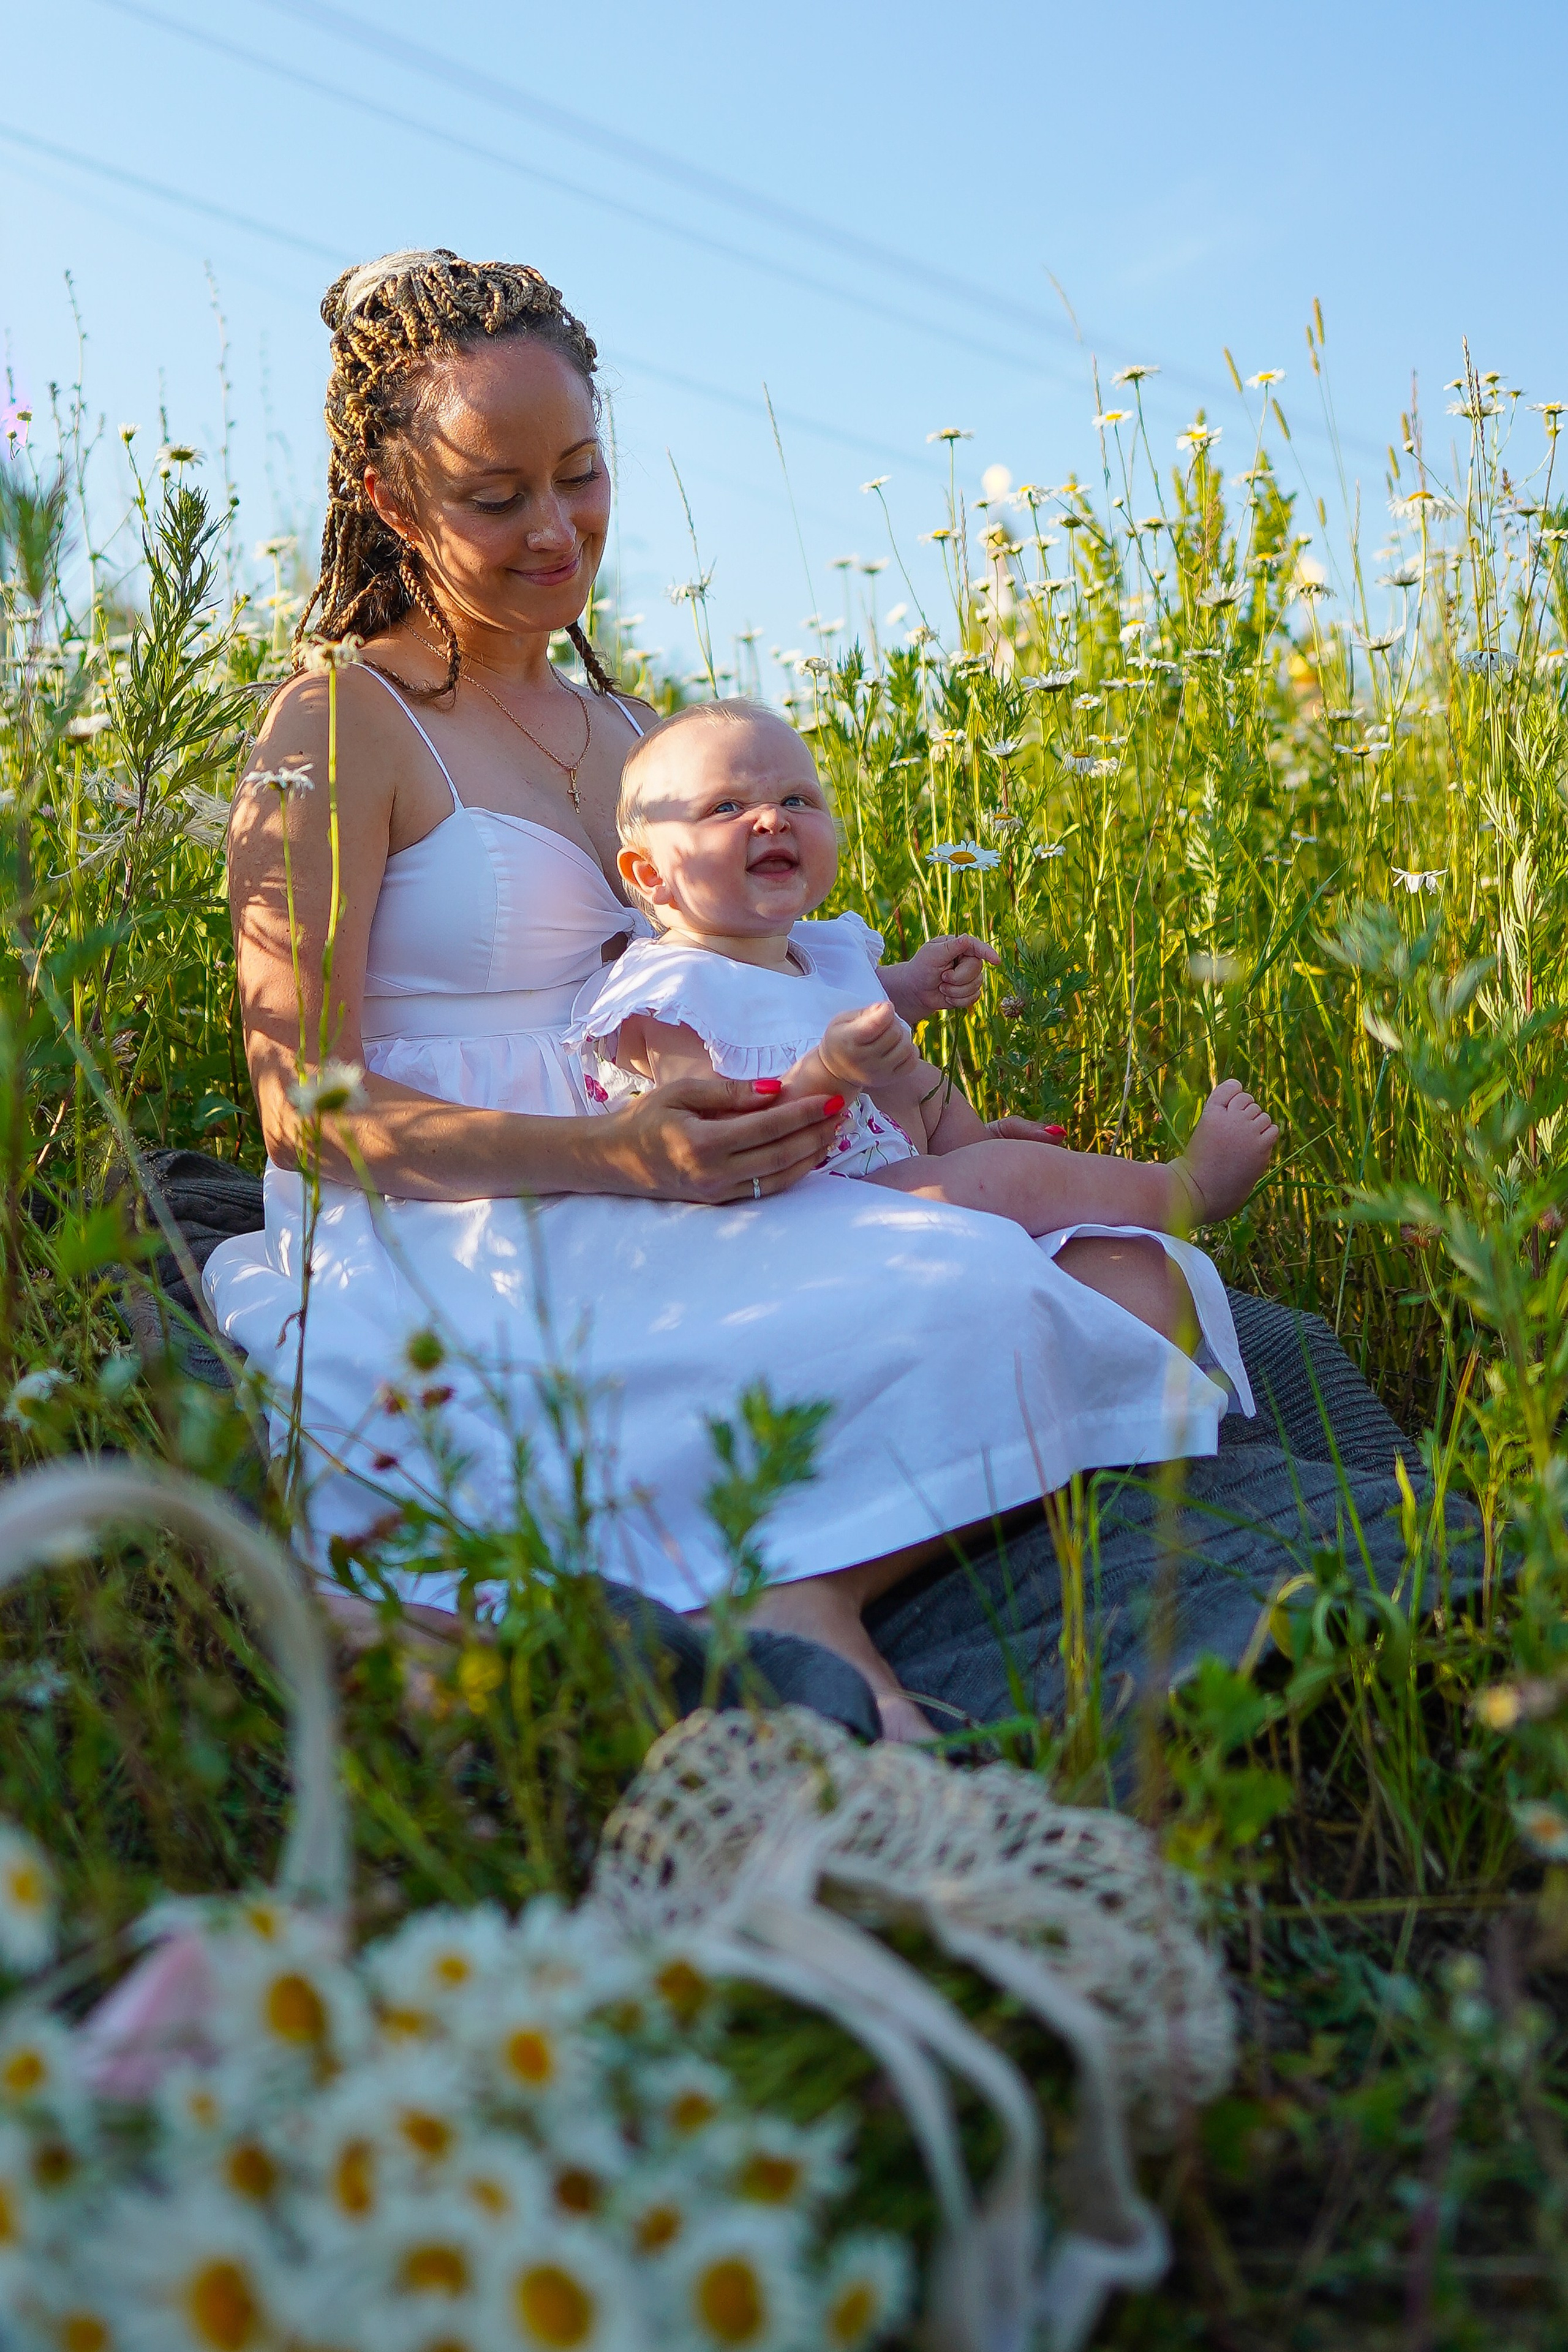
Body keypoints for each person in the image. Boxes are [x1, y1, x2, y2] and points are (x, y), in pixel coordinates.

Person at [205, 247, 1254, 1743]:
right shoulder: (333, 720)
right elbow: (300, 1112)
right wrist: (606, 1156)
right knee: (973, 1290)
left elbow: (737, 970)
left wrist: (883, 1080)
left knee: (1131, 1283)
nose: (555, 529)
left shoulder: (641, 730)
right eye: (494, 497)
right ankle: (789, 1592)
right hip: (464, 1218)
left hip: (690, 1169)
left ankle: (805, 1582)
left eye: (577, 473)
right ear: (390, 501)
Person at [575, 698, 1280, 1243]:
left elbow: (822, 1008)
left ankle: (974, 1153)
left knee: (929, 1090)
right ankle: (1188, 1191)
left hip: (875, 1175)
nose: (771, 820)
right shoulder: (670, 994)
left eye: (797, 799)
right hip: (789, 1214)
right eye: (726, 807)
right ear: (651, 876)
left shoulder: (823, 950)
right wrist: (830, 1071)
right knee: (1006, 1176)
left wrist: (910, 988)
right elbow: (717, 1141)